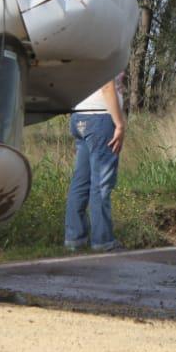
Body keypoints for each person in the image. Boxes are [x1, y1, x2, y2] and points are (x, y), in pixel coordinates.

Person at [64, 75, 126, 252]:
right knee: (101, 184)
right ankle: (103, 241)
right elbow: (106, 85)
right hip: (100, 117)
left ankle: (74, 239)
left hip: (79, 116)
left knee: (81, 181)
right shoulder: (109, 48)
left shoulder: (83, 49)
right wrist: (119, 124)